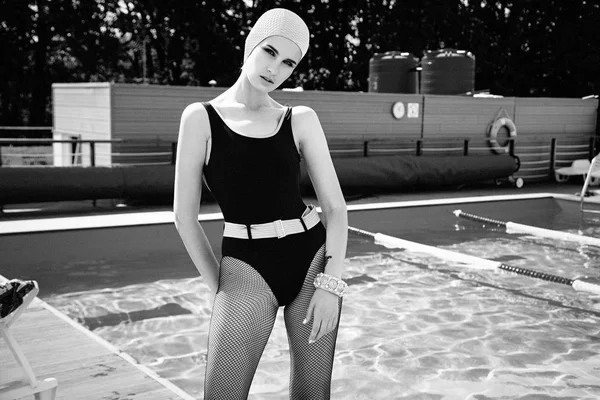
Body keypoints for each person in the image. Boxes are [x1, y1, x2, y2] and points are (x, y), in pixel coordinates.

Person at [173, 8, 348, 399]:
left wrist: (330, 287)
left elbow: (335, 210)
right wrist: (220, 286)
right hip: (246, 265)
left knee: (312, 393)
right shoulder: (200, 118)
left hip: (312, 260)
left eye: (289, 62)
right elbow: (184, 218)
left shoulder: (299, 118)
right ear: (251, 45)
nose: (276, 68)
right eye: (269, 52)